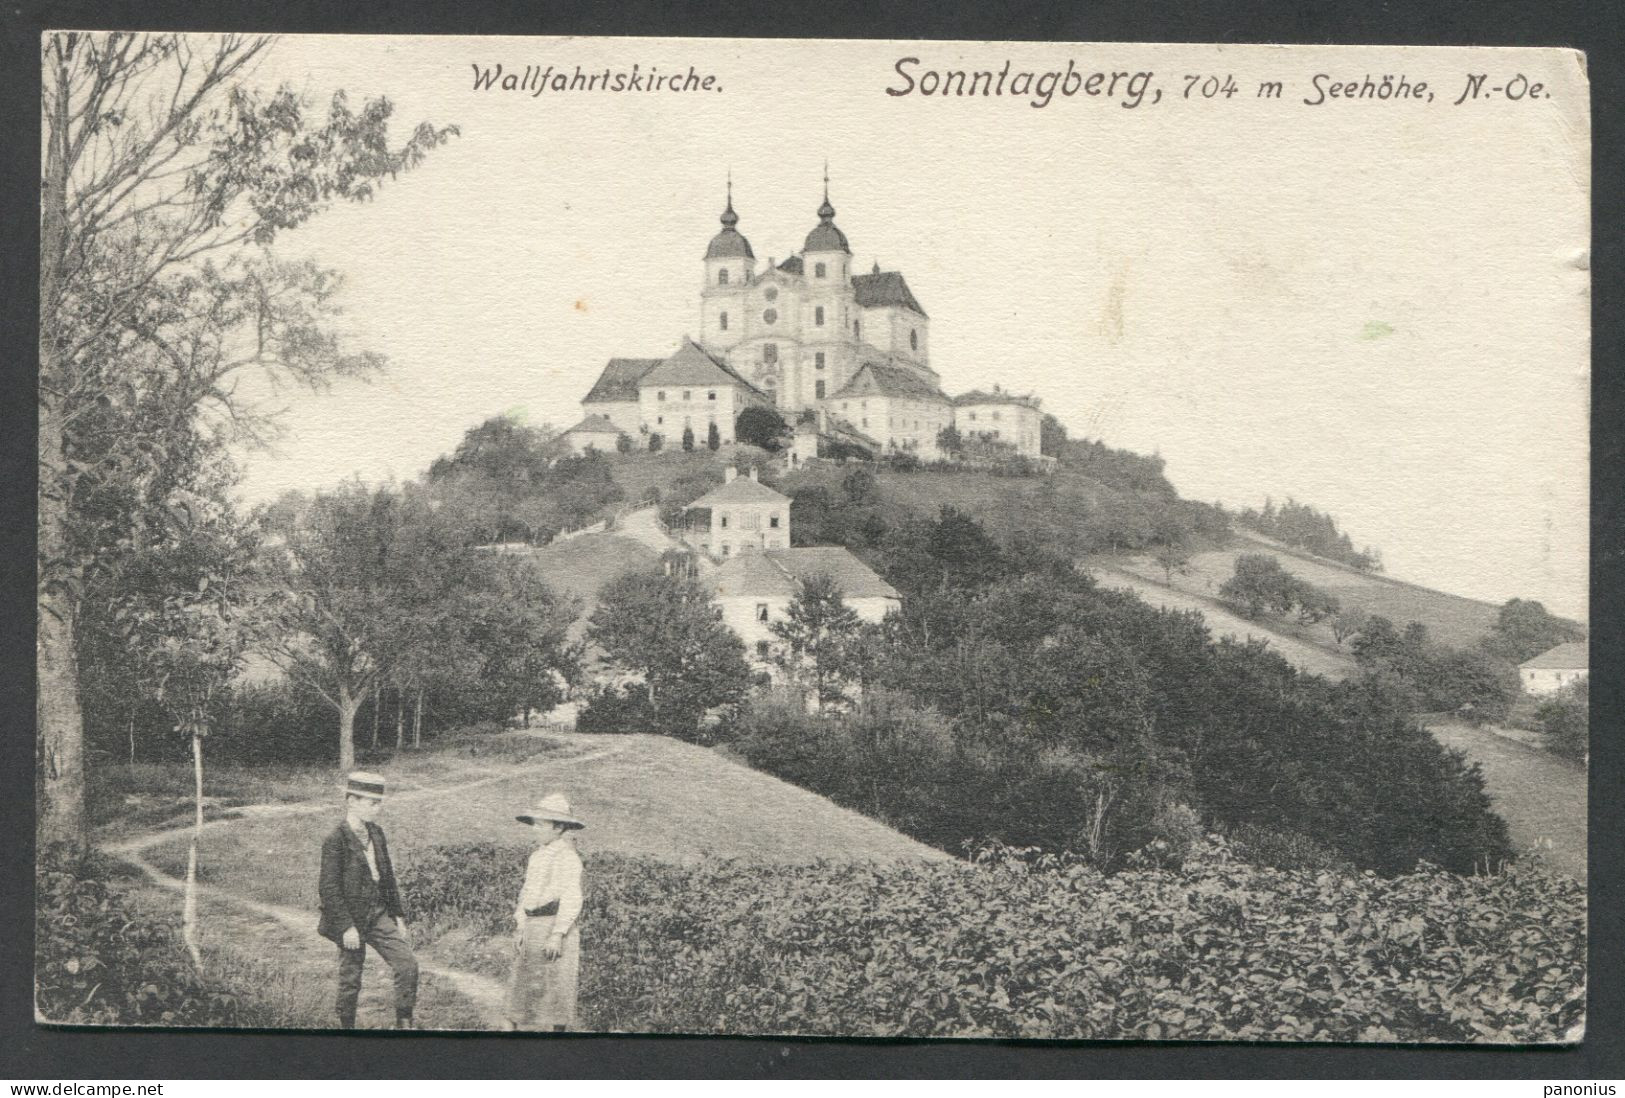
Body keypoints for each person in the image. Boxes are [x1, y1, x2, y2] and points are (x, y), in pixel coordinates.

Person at [318, 771, 419, 1030]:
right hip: (350, 919)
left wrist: (397, 916)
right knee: (351, 977)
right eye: (371, 803)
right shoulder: (335, 839)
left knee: (407, 963)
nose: (377, 808)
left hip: (377, 913)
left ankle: (404, 1023)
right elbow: (328, 889)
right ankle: (347, 1028)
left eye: (379, 803)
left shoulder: (376, 833)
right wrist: (345, 926)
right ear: (351, 800)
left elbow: (387, 876)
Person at [506, 793, 585, 1032]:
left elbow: (572, 897)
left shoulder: (568, 858)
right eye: (535, 824)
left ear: (559, 827)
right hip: (533, 926)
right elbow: (526, 893)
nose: (535, 830)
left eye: (541, 825)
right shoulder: (536, 857)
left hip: (554, 926)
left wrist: (557, 934)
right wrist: (521, 926)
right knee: (519, 992)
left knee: (557, 991)